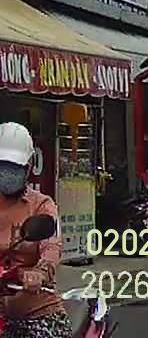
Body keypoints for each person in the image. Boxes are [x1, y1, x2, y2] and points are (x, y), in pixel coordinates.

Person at [0, 123, 71, 338]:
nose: (7, 173)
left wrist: (40, 273)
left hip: (37, 312)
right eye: (3, 166)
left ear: (29, 167)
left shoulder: (41, 205)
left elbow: (52, 246)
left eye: (15, 168)